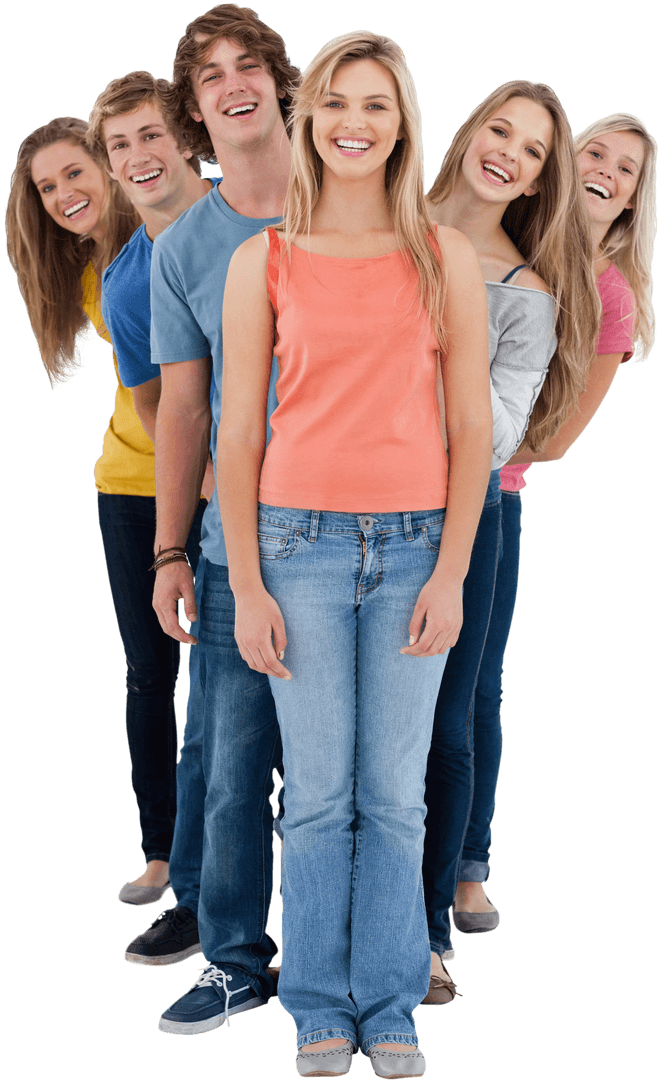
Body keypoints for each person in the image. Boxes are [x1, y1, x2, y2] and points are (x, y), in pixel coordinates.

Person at [219, 31, 492, 1078]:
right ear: (307, 119)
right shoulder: (265, 260)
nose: (353, 123)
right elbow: (238, 435)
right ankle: (318, 1007)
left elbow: (472, 426)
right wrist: (246, 582)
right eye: (336, 102)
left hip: (418, 544)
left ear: (401, 124)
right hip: (297, 548)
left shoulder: (442, 255)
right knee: (323, 793)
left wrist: (453, 572)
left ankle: (390, 1005)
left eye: (376, 105)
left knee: (396, 795)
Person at [128, 4, 299, 1031]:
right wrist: (168, 551)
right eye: (209, 77)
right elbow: (186, 407)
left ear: (279, 85)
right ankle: (236, 960)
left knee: (360, 774)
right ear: (194, 111)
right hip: (241, 541)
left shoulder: (354, 201)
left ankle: (365, 960)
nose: (232, 85)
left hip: (372, 529)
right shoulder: (186, 246)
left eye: (249, 67)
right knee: (234, 771)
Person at [421, 81, 602, 986]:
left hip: (466, 512)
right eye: (501, 131)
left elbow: (495, 435)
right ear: (466, 134)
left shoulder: (522, 292)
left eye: (531, 152)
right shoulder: (377, 227)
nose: (509, 155)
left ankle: (425, 934)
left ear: (536, 182)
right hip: (331, 514)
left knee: (449, 725)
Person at [463, 112, 656, 924]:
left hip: (490, 499)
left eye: (628, 171)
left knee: (474, 690)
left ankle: (467, 866)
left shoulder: (607, 297)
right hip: (389, 491)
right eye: (594, 152)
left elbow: (556, 439)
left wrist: (469, 432)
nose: (607, 171)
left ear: (632, 206)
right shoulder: (492, 237)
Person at [3, 116, 202, 890]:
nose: (62, 196)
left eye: (73, 174)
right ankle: (161, 851)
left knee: (233, 675)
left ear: (113, 164)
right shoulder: (91, 270)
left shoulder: (178, 235)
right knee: (148, 674)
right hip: (127, 484)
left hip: (214, 479)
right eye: (47, 189)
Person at [82, 69, 214, 908]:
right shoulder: (127, 282)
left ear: (188, 135)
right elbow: (167, 413)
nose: (136, 156)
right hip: (186, 494)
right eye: (118, 144)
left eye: (150, 134)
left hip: (312, 495)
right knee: (163, 678)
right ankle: (174, 863)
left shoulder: (253, 220)